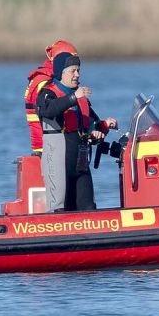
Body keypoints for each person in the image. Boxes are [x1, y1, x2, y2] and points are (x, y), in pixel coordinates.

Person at [36, 53, 117, 212]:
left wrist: (103, 127)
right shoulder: (47, 94)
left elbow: (92, 124)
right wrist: (73, 97)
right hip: (58, 161)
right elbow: (48, 110)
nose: (77, 75)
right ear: (61, 72)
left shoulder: (81, 98)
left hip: (80, 163)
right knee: (60, 208)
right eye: (72, 71)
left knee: (88, 208)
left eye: (78, 70)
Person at [24, 40, 78, 156]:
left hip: (50, 145)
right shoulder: (45, 83)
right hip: (48, 147)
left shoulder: (44, 78)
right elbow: (47, 109)